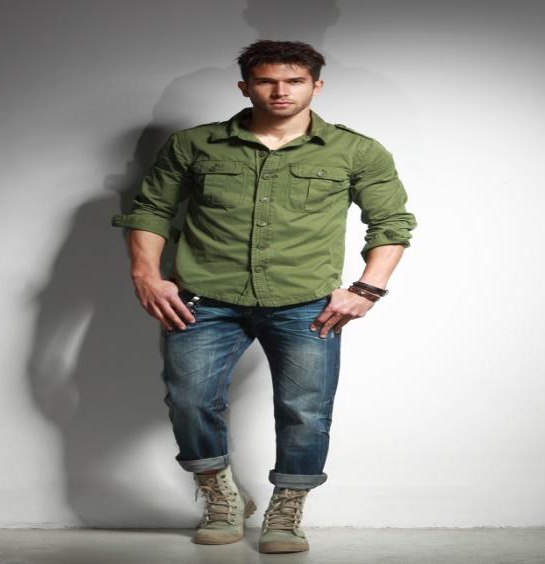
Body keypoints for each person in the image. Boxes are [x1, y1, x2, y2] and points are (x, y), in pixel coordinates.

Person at [111, 39, 417, 554]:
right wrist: (146, 274)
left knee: (305, 410)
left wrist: (368, 289)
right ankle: (220, 496)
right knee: (189, 400)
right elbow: (151, 210)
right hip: (205, 299)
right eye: (266, 81)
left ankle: (287, 509)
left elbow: (391, 223)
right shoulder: (194, 145)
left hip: (306, 304)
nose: (280, 91)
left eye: (294, 81)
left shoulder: (357, 151)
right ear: (245, 86)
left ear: (316, 86)